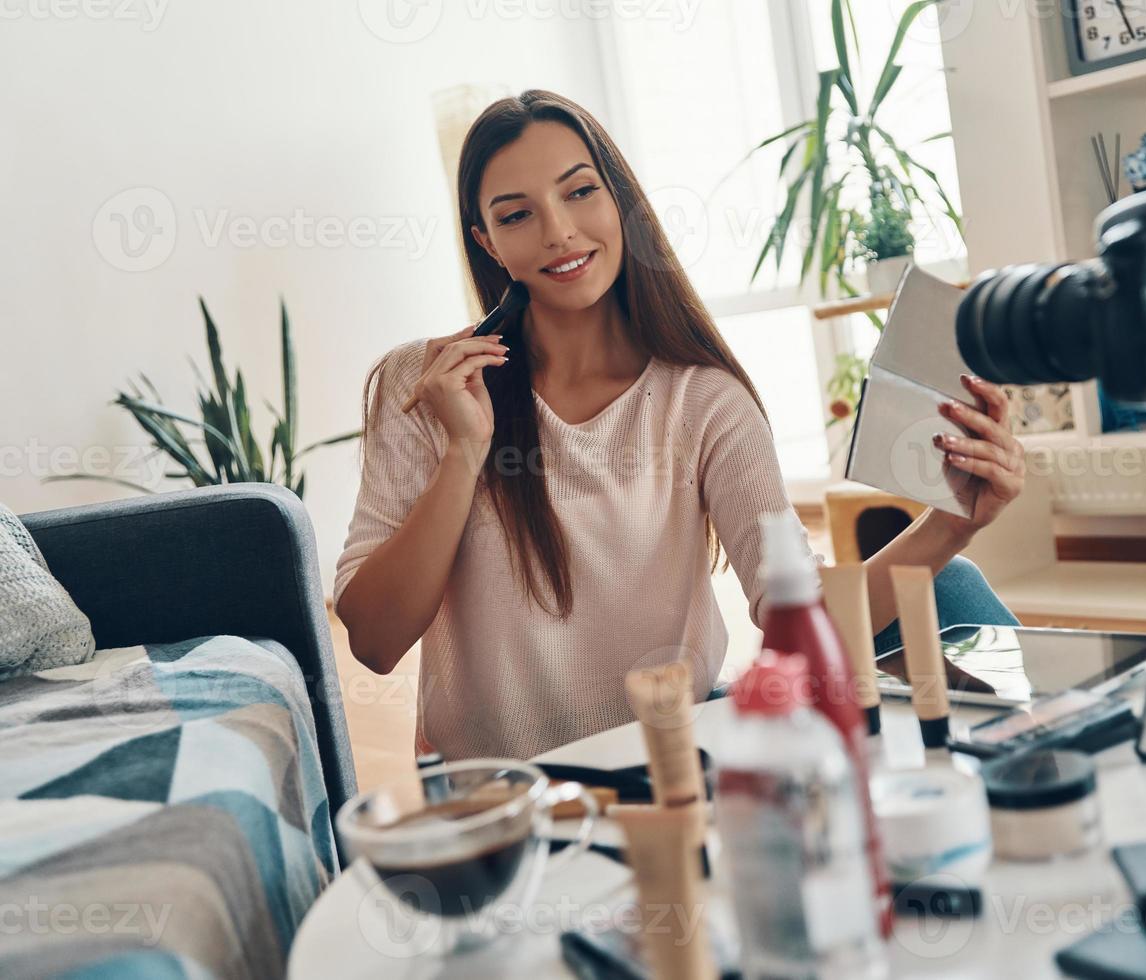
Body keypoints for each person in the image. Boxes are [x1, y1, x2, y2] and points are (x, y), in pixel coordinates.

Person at [334, 90, 1024, 761]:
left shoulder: (704, 401)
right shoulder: (426, 387)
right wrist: (464, 451)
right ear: (486, 241)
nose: (559, 231)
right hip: (505, 802)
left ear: (621, 203)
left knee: (954, 584)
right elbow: (373, 640)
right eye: (518, 215)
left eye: (580, 192)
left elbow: (798, 616)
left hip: (668, 771)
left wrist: (953, 522)